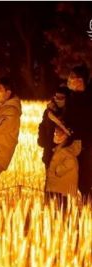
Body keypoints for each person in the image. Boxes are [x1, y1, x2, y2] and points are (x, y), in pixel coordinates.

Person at [64, 65, 92, 201]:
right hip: (74, 146)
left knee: (85, 182)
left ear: (80, 81)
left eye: (72, 77)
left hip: (86, 147)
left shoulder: (87, 100)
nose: (69, 80)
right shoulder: (71, 97)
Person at [45, 122, 81, 211]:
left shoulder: (67, 150)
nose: (56, 133)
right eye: (56, 131)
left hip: (62, 190)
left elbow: (71, 162)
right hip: (58, 187)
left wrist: (59, 170)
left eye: (59, 131)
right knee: (56, 211)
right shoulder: (61, 148)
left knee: (60, 212)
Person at [37, 86, 69, 169]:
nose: (57, 99)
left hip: (64, 156)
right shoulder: (49, 111)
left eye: (61, 97)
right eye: (56, 97)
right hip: (49, 153)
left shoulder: (70, 112)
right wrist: (42, 140)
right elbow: (42, 126)